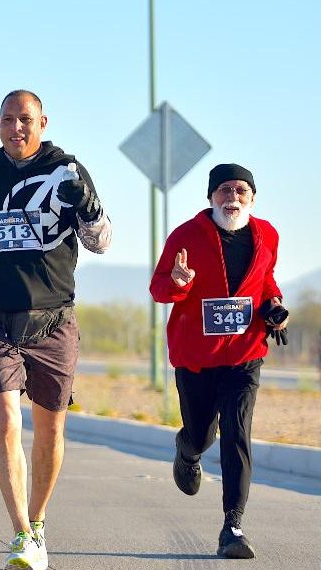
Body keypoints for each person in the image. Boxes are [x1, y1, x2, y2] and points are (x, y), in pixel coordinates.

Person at [0, 90, 111, 570]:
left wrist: (89, 206)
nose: (17, 128)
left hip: (54, 319)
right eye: (8, 120)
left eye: (26, 119)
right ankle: (20, 533)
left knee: (50, 429)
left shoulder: (67, 171)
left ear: (42, 122)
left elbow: (101, 242)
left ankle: (37, 520)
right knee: (7, 420)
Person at [150, 163, 287, 559]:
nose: (233, 197)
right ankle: (188, 450)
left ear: (252, 198)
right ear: (211, 197)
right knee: (202, 433)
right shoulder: (186, 236)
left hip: (245, 354)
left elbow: (265, 282)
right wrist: (179, 281)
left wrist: (274, 307)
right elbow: (159, 289)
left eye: (241, 190)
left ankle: (233, 526)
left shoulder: (267, 235)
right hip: (197, 356)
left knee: (237, 432)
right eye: (224, 190)